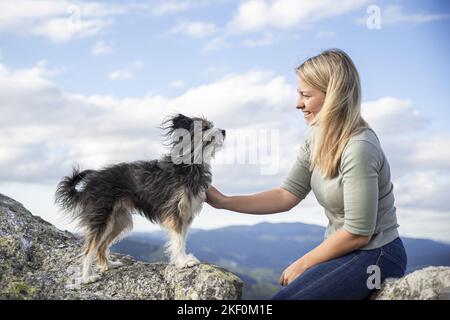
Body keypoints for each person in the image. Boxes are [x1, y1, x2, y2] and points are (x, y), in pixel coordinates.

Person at [205, 48, 407, 300]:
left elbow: (358, 233)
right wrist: (224, 202)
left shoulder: (359, 147)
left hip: (377, 254)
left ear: (332, 96)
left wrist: (303, 263)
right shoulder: (316, 138)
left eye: (305, 95)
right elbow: (286, 195)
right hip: (344, 251)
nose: (297, 103)